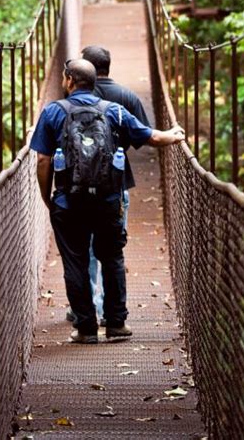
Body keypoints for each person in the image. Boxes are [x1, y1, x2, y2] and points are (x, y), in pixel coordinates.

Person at [30, 58, 184, 344]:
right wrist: (174, 136)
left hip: (68, 202)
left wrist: (47, 198)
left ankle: (86, 329)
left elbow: (42, 159)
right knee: (111, 257)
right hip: (108, 200)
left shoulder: (53, 112)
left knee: (75, 263)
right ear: (94, 82)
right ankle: (116, 325)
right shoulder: (114, 111)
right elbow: (151, 137)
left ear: (69, 81)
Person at [81, 44, 151, 323]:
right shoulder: (127, 97)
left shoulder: (72, 96)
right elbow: (142, 138)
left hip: (79, 188)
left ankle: (86, 309)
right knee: (111, 249)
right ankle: (110, 313)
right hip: (117, 182)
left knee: (85, 248)